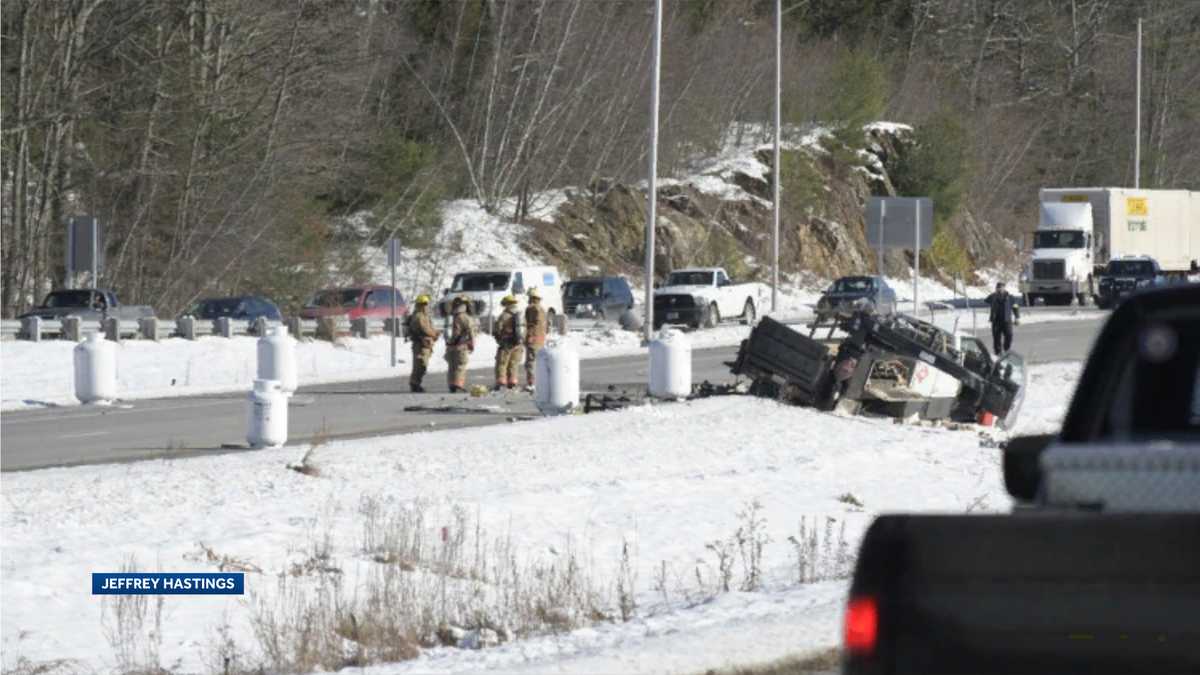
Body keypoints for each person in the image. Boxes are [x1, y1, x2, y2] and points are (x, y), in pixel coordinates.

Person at [405, 294, 441, 392]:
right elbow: (424, 329)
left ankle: (416, 383)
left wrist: (434, 333)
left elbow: (428, 327)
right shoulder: (419, 316)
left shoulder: (424, 315)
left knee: (421, 365)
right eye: (423, 304)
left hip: (424, 344)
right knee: (420, 365)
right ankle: (415, 384)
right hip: (420, 344)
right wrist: (434, 334)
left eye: (426, 304)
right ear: (419, 305)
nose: (426, 306)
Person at [492, 295, 524, 390]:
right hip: (518, 344)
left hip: (506, 344)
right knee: (514, 363)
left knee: (502, 363)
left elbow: (497, 330)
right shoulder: (520, 315)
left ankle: (501, 382)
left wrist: (498, 338)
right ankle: (512, 382)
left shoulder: (504, 316)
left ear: (506, 304)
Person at [445, 295, 475, 393]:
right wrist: (472, 343)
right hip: (461, 346)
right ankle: (458, 384)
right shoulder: (465, 317)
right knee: (460, 365)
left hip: (450, 346)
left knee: (452, 366)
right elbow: (471, 331)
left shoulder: (452, 316)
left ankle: (451, 385)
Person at [524, 287, 548, 390]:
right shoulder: (542, 309)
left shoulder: (531, 308)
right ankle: (540, 382)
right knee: (539, 362)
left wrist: (528, 335)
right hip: (541, 339)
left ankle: (531, 383)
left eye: (529, 297)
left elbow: (531, 324)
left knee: (530, 362)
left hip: (533, 338)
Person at [986, 281, 1020, 354]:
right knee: (996, 338)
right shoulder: (993, 297)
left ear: (1004, 288)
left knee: (1009, 335)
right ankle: (998, 353)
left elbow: (1015, 307)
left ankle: (1006, 349)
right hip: (996, 321)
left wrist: (1017, 318)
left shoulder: (1010, 297)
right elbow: (986, 300)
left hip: (1007, 321)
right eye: (998, 288)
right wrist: (994, 295)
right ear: (996, 288)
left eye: (1001, 287)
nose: (1000, 289)